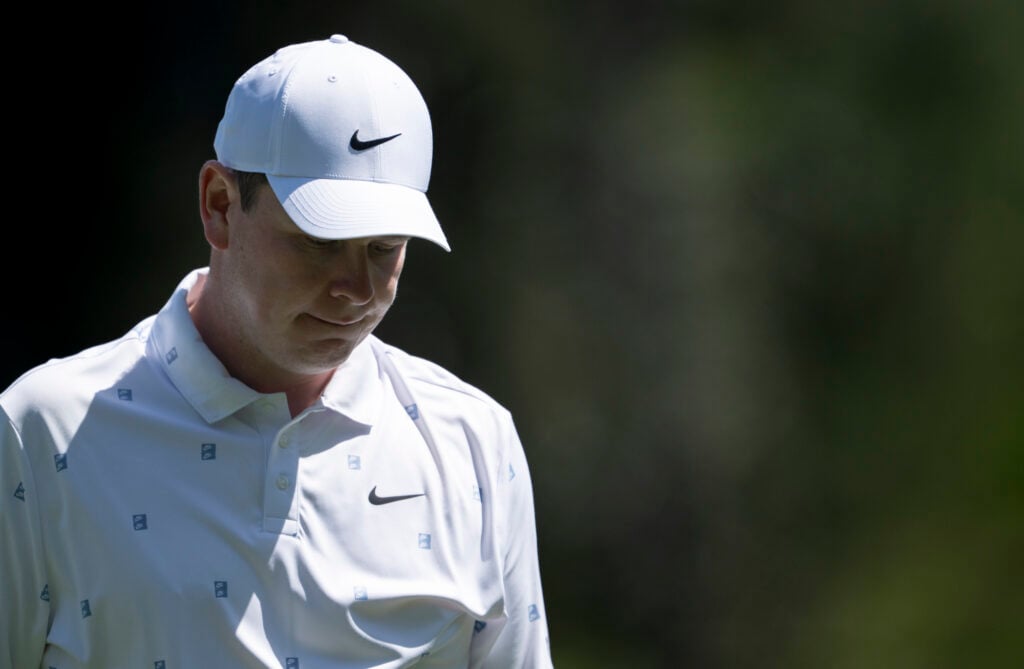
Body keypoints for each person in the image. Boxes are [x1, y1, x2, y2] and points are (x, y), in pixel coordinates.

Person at [1, 34, 553, 668]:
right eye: (319, 241)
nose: (356, 291)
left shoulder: (476, 443)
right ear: (218, 207)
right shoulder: (41, 433)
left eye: (385, 248)